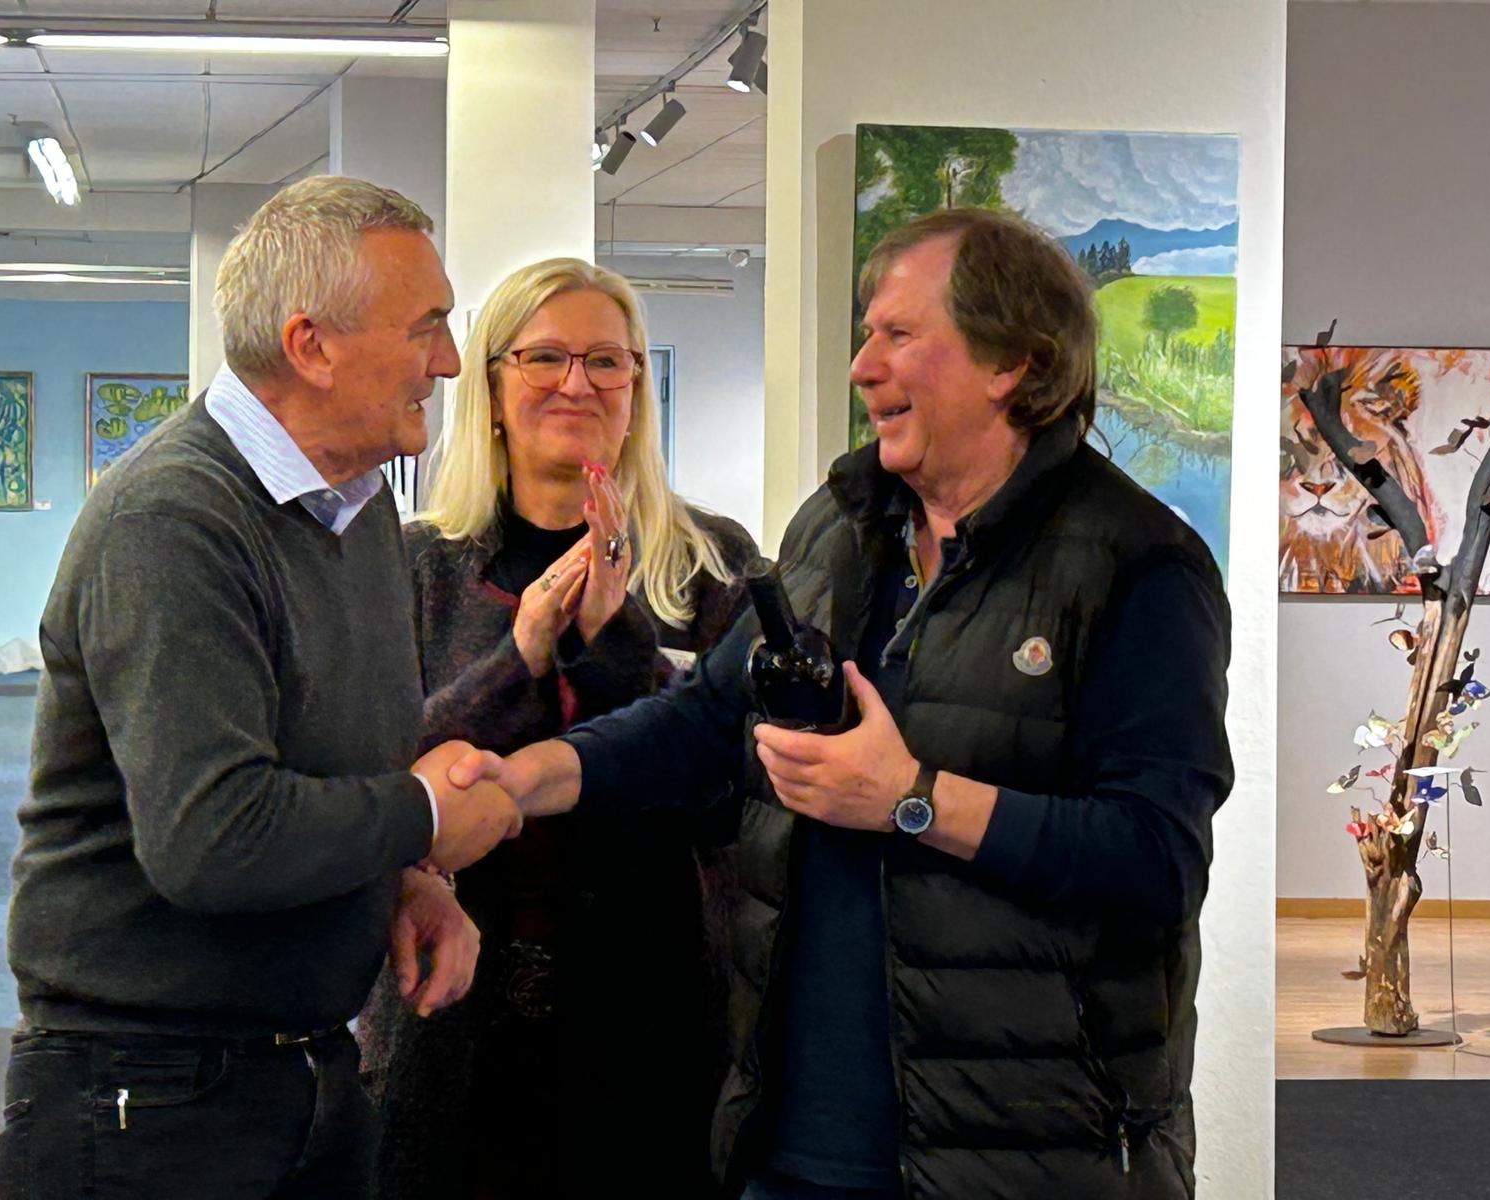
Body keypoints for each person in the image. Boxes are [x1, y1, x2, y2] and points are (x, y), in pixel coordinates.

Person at [450, 208, 1235, 1200]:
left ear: (1010, 363)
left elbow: (1155, 859)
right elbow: (703, 722)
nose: (863, 368)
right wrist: (518, 778)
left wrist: (912, 798)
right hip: (795, 1144)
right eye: (867, 336)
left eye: (898, 335)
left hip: (1024, 1156)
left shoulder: (1139, 565)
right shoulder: (837, 526)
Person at [0, 176, 522, 1200]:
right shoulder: (174, 523)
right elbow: (213, 837)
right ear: (309, 345)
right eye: (425, 327)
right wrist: (422, 817)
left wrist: (399, 880)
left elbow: (319, 768)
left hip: (302, 1068)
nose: (449, 362)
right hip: (149, 1101)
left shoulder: (353, 506)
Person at [359, 257, 757, 1199]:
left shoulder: (711, 564)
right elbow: (386, 780)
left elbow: (732, 789)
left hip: (657, 1006)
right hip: (453, 1014)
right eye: (545, 357)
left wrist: (617, 649)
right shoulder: (416, 567)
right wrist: (524, 657)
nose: (577, 384)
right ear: (493, 388)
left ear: (636, 389)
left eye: (606, 361)